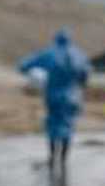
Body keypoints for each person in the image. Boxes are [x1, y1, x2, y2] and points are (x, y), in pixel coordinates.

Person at [18, 29, 90, 171]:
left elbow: (24, 66)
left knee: (53, 126)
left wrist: (33, 75)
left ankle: (52, 158)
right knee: (68, 127)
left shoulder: (49, 53)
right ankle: (63, 161)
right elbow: (85, 75)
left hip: (54, 96)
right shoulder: (79, 55)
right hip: (73, 97)